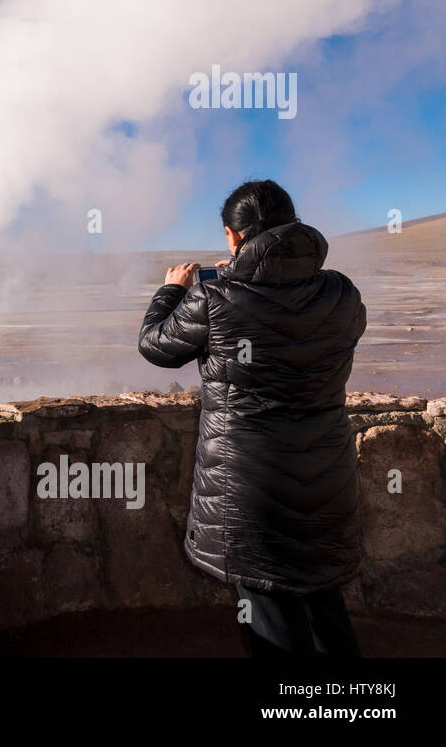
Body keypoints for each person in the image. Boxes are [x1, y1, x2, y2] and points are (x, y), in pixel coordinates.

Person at [138, 179, 366, 657]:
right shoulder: (342, 293)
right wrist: (249, 276)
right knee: (324, 602)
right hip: (328, 477)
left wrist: (171, 291)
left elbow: (155, 346)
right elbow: (298, 327)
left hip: (251, 490)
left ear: (232, 236)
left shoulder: (215, 298)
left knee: (271, 621)